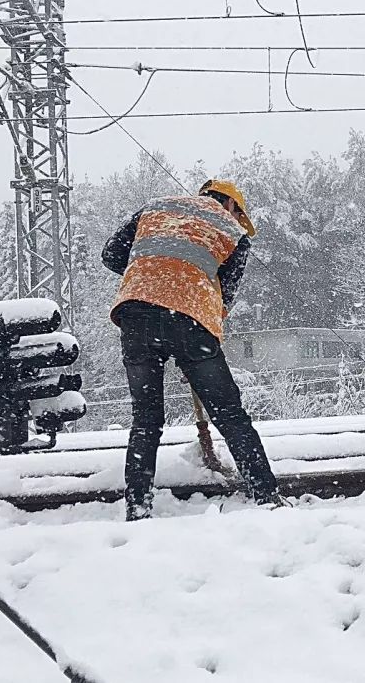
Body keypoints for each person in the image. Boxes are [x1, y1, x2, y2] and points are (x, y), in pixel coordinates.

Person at [102, 179, 283, 520]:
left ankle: (138, 506)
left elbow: (111, 255)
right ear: (232, 207)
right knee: (230, 414)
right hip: (191, 318)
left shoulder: (154, 208)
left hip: (135, 314)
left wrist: (154, 270)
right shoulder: (231, 230)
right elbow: (224, 295)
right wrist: (198, 344)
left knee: (145, 419)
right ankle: (266, 494)